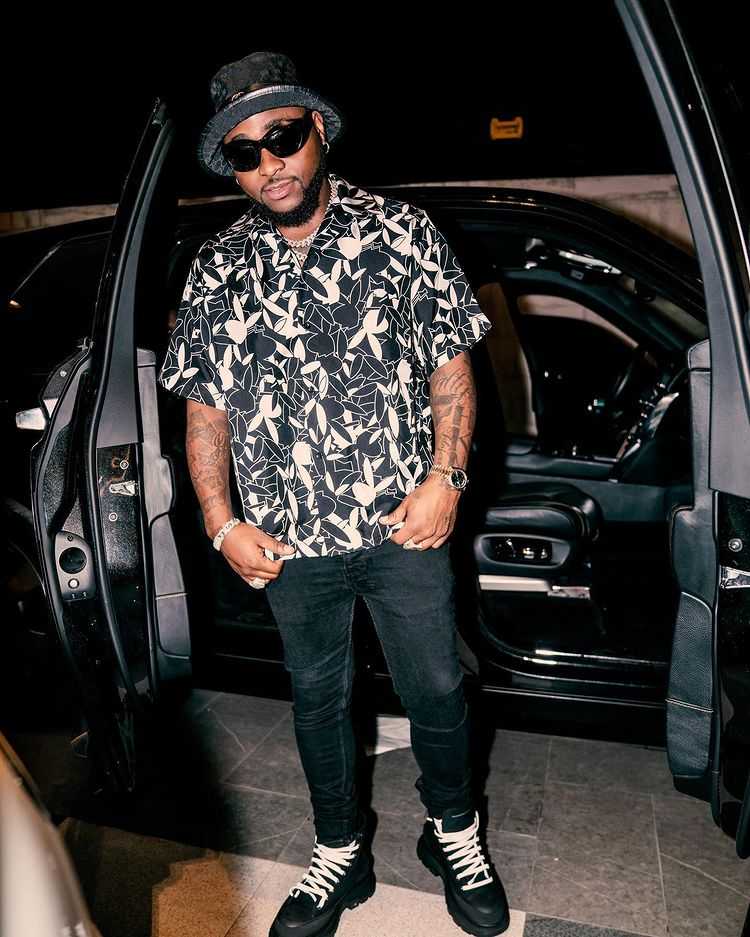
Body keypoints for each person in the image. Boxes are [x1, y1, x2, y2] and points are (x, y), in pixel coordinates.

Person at [158, 50, 510, 937]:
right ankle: (340, 849)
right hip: (288, 539)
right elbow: (206, 411)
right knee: (317, 702)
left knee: (437, 689)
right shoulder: (217, 266)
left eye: (281, 137)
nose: (268, 163)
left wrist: (446, 478)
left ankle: (453, 830)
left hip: (403, 523)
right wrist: (220, 523)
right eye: (244, 152)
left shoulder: (402, 231)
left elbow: (450, 367)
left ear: (318, 129)